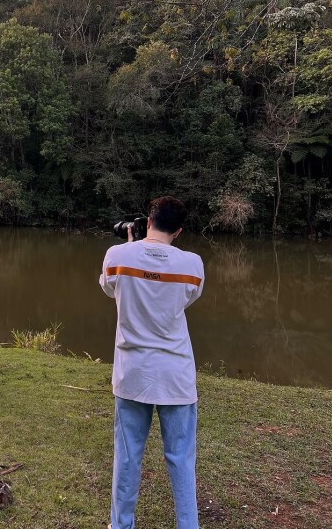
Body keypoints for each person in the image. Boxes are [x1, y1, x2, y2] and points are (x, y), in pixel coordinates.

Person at [100, 196, 204, 529]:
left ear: (148, 220)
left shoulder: (117, 256)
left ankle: (121, 525)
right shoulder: (193, 264)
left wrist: (132, 249)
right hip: (176, 375)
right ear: (179, 230)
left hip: (132, 372)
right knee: (181, 461)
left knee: (127, 458)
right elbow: (186, 298)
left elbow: (109, 287)